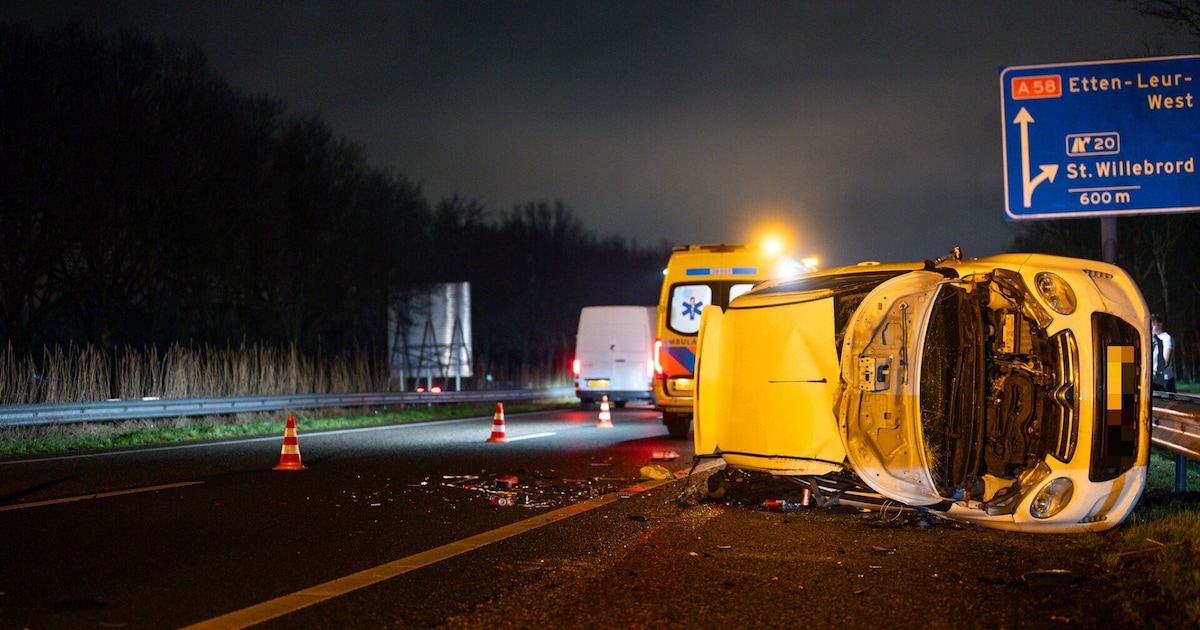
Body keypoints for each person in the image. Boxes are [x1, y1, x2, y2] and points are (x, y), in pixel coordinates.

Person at [1150, 313, 1176, 393]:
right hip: (1157, 378)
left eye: (1154, 324)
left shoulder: (1166, 338)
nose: (1152, 327)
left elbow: (1165, 362)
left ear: (1160, 324)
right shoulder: (1151, 338)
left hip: (1165, 378)